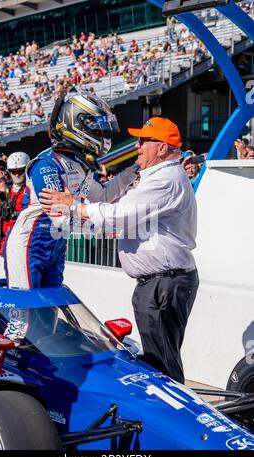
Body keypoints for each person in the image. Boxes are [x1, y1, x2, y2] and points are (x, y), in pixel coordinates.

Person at [40, 117, 199, 384]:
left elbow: (119, 214)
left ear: (161, 148)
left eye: (144, 141)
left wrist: (74, 206)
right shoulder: (162, 176)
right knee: (162, 359)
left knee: (163, 367)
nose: (138, 146)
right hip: (162, 283)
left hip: (163, 284)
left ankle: (178, 421)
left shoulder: (165, 179)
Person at [4, 93, 139, 289]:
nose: (105, 135)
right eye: (99, 129)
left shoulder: (79, 164)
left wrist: (134, 170)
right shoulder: (46, 164)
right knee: (27, 312)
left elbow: (104, 196)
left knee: (50, 311)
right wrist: (111, 228)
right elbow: (61, 218)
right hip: (29, 244)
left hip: (57, 245)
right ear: (78, 125)